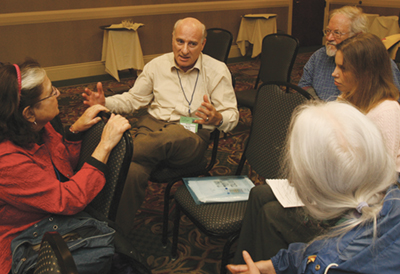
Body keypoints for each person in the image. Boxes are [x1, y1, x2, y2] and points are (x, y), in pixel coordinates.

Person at [233, 32, 400, 265]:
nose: (334, 73)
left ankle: (267, 265)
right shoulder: (347, 99)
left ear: (366, 73)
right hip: (330, 191)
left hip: (351, 213)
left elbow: (381, 189)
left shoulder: (387, 112)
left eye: (343, 68)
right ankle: (243, 264)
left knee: (271, 215)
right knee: (259, 194)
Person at [82, 17, 239, 236]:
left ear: (203, 44)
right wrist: (104, 103)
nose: (184, 50)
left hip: (191, 133)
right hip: (152, 129)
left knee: (172, 134)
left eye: (192, 44)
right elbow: (133, 100)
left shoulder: (217, 70)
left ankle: (112, 153)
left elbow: (233, 115)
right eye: (180, 41)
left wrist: (217, 118)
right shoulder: (157, 65)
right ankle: (115, 237)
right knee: (132, 171)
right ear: (172, 40)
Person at [227, 101, 400, 274]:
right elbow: (319, 250)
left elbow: (324, 257)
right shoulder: (391, 198)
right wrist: (279, 263)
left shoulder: (329, 267)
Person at [0, 59, 131, 273]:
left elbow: (58, 170)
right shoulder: (7, 161)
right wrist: (105, 145)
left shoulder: (38, 128)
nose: (58, 94)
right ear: (28, 113)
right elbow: (67, 200)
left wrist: (73, 132)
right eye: (51, 93)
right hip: (23, 239)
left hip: (50, 221)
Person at [298, 5, 400, 101]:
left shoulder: (379, 62)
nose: (329, 38)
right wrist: (318, 105)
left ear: (357, 35)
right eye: (328, 31)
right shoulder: (319, 56)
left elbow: (393, 99)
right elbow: (303, 85)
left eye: (337, 33)